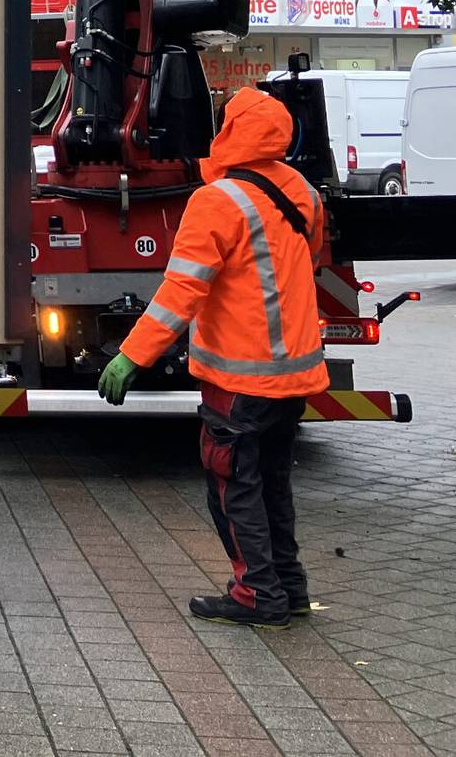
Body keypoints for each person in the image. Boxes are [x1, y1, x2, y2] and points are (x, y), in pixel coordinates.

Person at [96, 87, 328, 628]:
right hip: (293, 374)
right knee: (271, 483)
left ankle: (256, 595)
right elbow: (305, 263)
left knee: (233, 487)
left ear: (228, 133)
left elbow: (183, 290)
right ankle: (288, 588)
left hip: (239, 377)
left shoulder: (216, 201)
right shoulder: (305, 194)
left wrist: (131, 357)